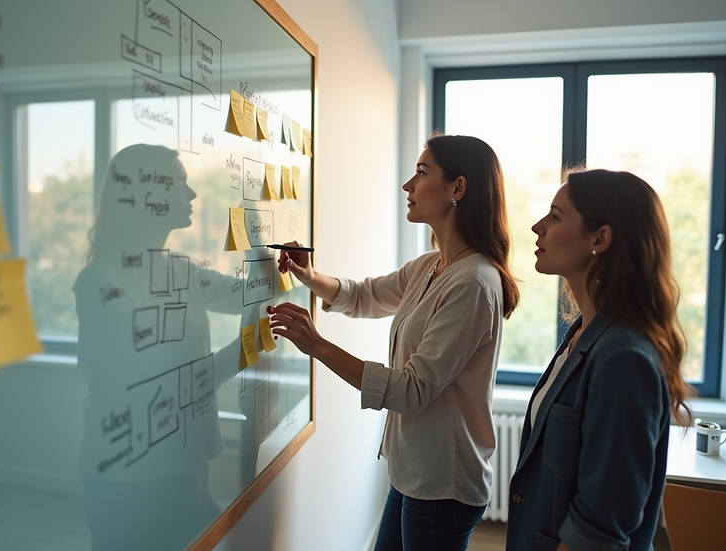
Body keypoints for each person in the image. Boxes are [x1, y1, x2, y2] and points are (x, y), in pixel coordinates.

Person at [268, 134, 520, 551]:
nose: (408, 186)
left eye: (421, 173)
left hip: (442, 484)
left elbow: (412, 390)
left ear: (458, 188)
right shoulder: (431, 266)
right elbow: (363, 295)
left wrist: (318, 346)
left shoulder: (473, 282)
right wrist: (309, 276)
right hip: (412, 473)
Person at [73, 144, 255, 551]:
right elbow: (168, 385)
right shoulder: (99, 282)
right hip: (131, 484)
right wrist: (248, 347)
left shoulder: (180, 270)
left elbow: (249, 295)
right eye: (179, 184)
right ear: (144, 196)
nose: (190, 195)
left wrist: (282, 267)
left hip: (185, 470)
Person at [505, 169, 694, 551]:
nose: (537, 227)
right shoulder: (580, 332)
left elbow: (599, 529)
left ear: (600, 238)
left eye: (555, 216)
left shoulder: (623, 357)